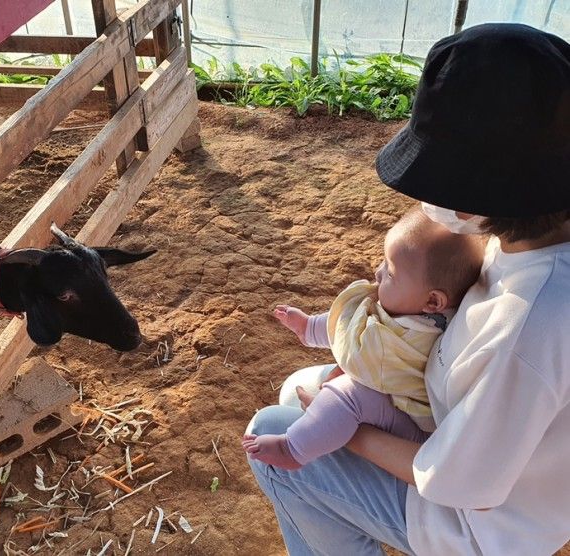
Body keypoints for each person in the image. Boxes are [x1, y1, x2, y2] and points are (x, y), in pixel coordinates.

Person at [245, 23, 570, 555]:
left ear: (479, 193)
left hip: (478, 524)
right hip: (463, 428)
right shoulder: (525, 238)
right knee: (300, 392)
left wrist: (349, 431)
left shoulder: (533, 322)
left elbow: (462, 486)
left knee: (281, 436)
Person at [242, 210, 483, 469]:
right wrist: (310, 327)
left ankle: (292, 448)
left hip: (417, 434)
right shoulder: (432, 311)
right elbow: (352, 324)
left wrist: (314, 335)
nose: (378, 273)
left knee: (348, 395)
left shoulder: (406, 338)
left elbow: (351, 338)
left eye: (390, 273)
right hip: (409, 410)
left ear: (433, 301)